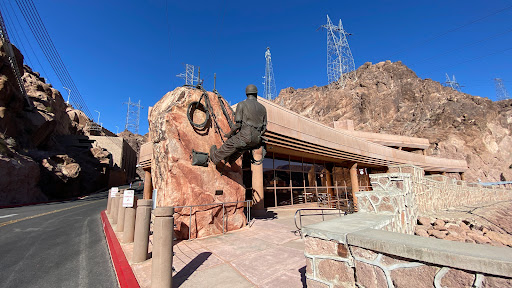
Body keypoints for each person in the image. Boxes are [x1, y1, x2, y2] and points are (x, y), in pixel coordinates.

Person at [210, 84, 267, 165]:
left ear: (246, 93)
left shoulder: (242, 104)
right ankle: (231, 159)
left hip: (246, 135)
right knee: (241, 146)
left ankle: (215, 157)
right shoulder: (263, 108)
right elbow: (264, 128)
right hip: (257, 139)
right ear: (256, 93)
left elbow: (238, 125)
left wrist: (229, 134)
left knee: (230, 143)